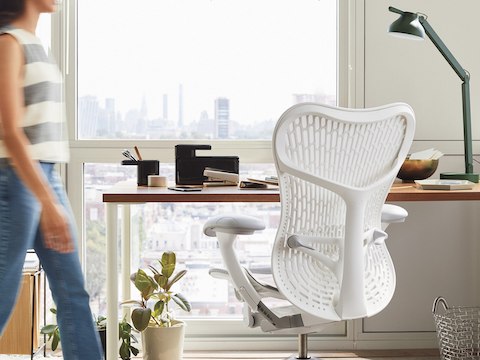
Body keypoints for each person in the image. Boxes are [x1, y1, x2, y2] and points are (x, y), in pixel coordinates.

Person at [0, 0, 103, 358]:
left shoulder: (33, 43)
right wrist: (46, 201)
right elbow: (10, 132)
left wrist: (48, 195)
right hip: (17, 180)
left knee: (73, 291)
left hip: (44, 176)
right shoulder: (9, 41)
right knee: (2, 296)